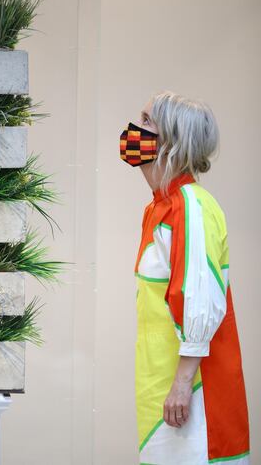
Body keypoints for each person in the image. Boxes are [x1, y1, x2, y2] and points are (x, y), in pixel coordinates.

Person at [119, 90, 251, 465]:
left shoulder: (190, 208)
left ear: (172, 142)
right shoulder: (160, 208)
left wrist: (180, 385)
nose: (134, 129)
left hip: (192, 393)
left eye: (146, 121)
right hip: (162, 384)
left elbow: (200, 298)